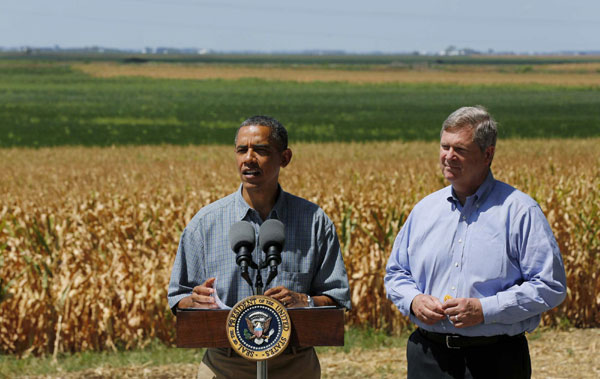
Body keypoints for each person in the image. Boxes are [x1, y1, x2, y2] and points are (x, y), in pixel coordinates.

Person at [384, 106, 567, 379]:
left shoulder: (519, 211)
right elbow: (396, 273)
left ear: (487, 154)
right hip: (428, 358)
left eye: (460, 149)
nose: (448, 157)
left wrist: (485, 310)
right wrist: (414, 300)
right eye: (444, 146)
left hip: (495, 360)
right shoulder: (424, 210)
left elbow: (550, 286)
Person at [168, 115, 351, 379]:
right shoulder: (205, 224)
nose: (249, 159)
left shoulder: (314, 222)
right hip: (225, 365)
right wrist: (192, 300)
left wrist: (306, 300)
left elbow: (337, 297)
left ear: (285, 158)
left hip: (293, 364)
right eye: (242, 150)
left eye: (261, 150)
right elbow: (178, 298)